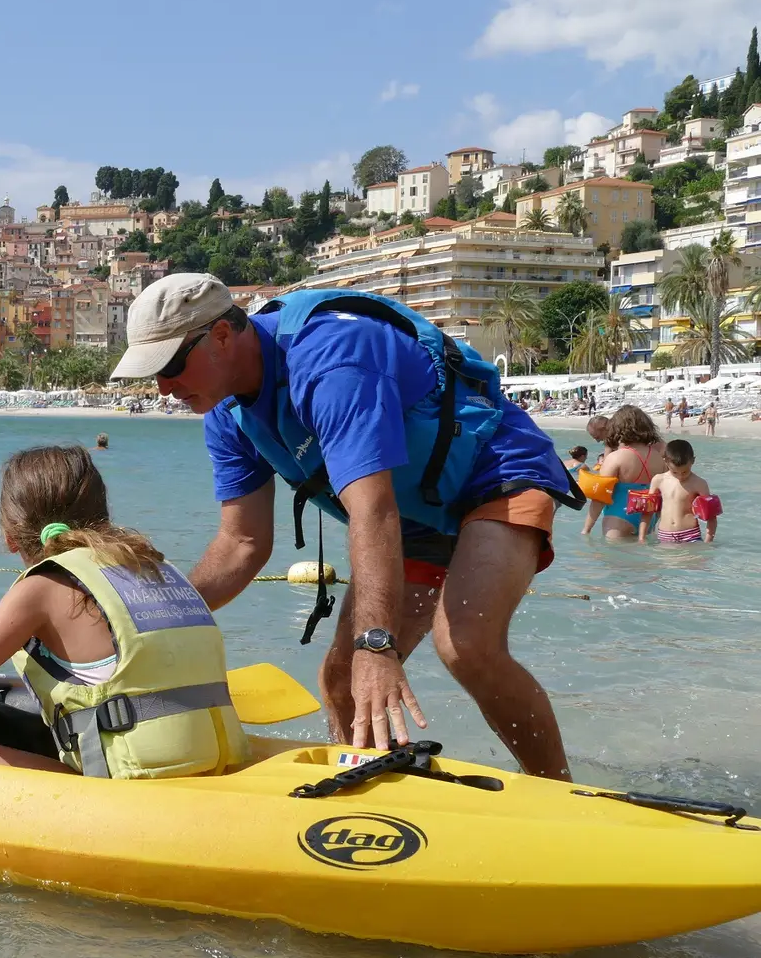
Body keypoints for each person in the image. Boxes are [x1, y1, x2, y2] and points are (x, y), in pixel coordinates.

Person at [111, 274, 580, 779]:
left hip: (496, 473)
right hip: (413, 517)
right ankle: (372, 790)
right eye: (152, 373)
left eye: (170, 366)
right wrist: (153, 620)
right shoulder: (226, 414)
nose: (162, 388)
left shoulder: (331, 360)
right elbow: (241, 543)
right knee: (341, 679)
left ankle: (559, 791)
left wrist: (377, 644)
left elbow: (373, 510)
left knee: (464, 645)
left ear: (221, 335)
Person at [0, 444, 246, 778]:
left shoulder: (41, 587)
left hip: (134, 780)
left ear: (10, 537)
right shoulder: (155, 567)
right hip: (216, 762)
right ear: (104, 518)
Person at [583, 405, 665, 541]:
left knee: (614, 554)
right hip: (648, 519)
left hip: (619, 517)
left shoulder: (615, 458)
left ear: (618, 427)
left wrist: (586, 529)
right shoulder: (658, 457)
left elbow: (600, 497)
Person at [646, 439, 719, 544]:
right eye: (675, 472)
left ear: (693, 461)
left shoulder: (699, 483)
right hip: (665, 535)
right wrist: (642, 536)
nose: (680, 476)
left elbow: (711, 517)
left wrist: (708, 541)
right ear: (665, 461)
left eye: (685, 472)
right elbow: (648, 511)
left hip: (690, 535)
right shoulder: (658, 480)